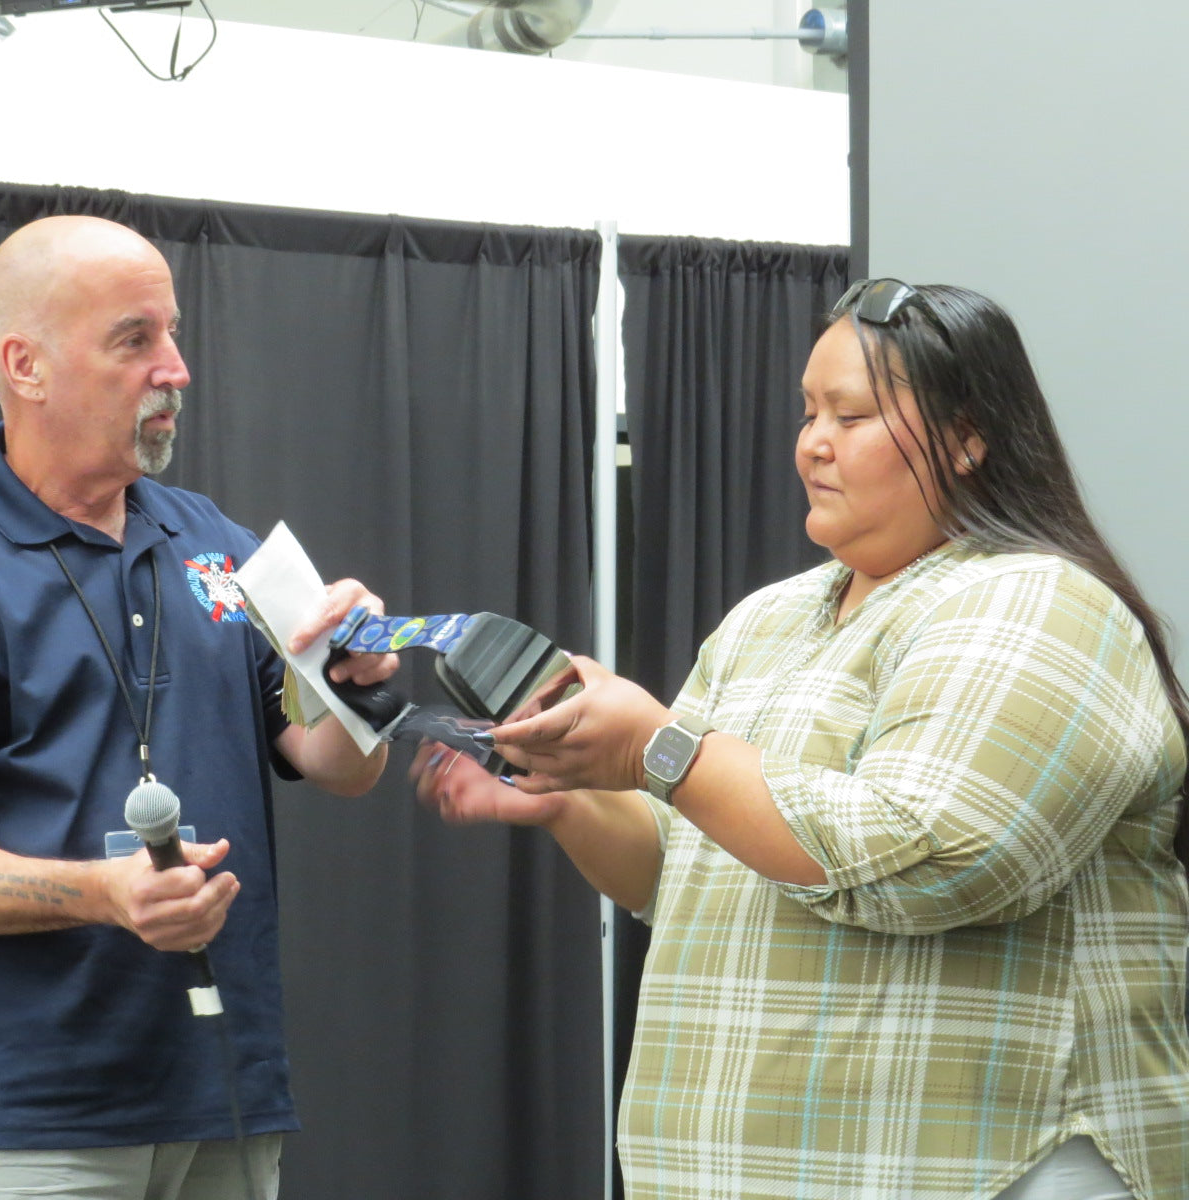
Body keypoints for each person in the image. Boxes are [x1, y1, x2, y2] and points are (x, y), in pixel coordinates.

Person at [418, 279, 1189, 1199]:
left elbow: (931, 858)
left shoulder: (1037, 600)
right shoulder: (767, 620)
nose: (813, 443)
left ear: (967, 438)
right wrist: (570, 797)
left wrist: (660, 748)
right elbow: (680, 870)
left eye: (851, 416)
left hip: (990, 1168)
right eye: (808, 411)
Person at [0, 214, 396, 1200]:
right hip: (23, 1127)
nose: (175, 369)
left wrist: (351, 687)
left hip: (224, 1104)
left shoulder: (216, 546)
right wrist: (103, 894)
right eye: (135, 340)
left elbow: (340, 766)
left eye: (173, 334)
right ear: (27, 367)